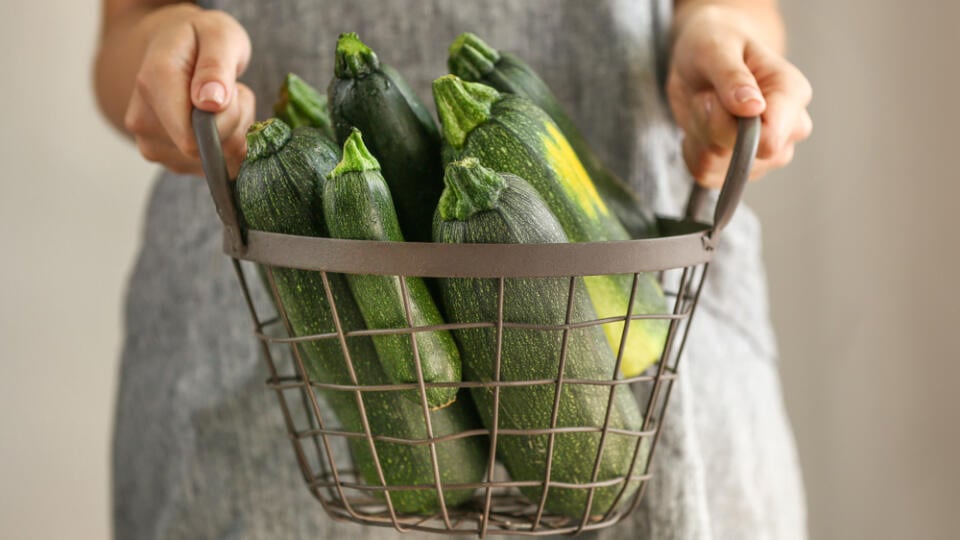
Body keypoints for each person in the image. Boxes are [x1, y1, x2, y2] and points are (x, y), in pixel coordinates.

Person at [95, 1, 813, 538]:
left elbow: (739, 8)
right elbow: (129, 29)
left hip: (637, 330)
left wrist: (718, 33)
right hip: (273, 293)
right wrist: (169, 61)